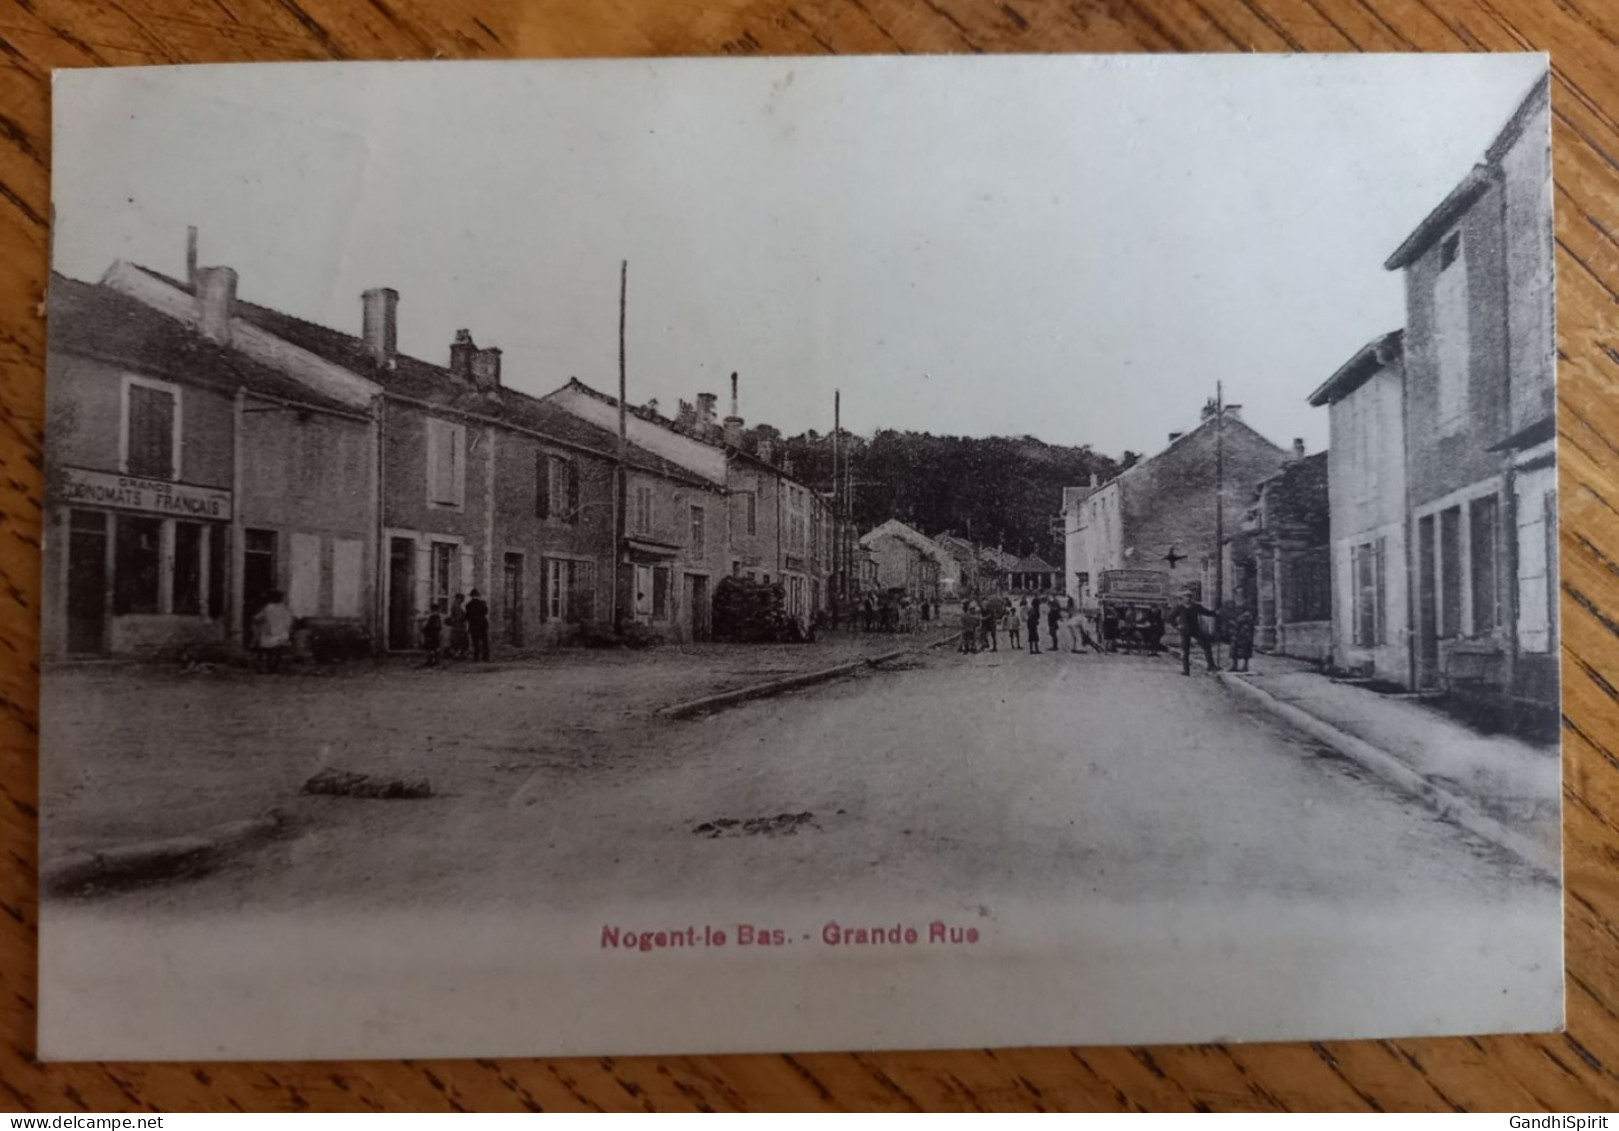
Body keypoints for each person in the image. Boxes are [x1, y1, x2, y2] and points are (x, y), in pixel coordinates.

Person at [1173, 591, 1219, 676]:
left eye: (1190, 597)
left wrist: (1215, 613)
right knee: (1185, 650)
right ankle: (1186, 670)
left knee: (1206, 646)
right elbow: (1169, 618)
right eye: (1186, 597)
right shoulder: (1179, 608)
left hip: (1195, 629)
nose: (1188, 598)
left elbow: (1206, 612)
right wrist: (1176, 626)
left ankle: (1211, 665)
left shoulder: (1196, 607)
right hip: (1184, 630)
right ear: (1182, 598)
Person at [251, 590, 294, 674]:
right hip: (282, 633)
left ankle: (269, 666)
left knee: (269, 651)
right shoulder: (285, 609)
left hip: (269, 633)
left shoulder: (268, 607)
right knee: (278, 651)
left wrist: (254, 619)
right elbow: (289, 621)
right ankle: (275, 667)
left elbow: (258, 617)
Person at [465, 588, 490, 661]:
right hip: (482, 624)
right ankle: (486, 657)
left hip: (474, 625)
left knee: (475, 641)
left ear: (471, 596)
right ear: (477, 596)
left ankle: (476, 657)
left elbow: (468, 616)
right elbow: (485, 612)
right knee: (484, 641)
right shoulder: (482, 603)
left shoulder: (468, 605)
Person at [1229, 605, 1256, 672]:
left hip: (1244, 635)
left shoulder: (1247, 615)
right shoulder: (1236, 614)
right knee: (1234, 650)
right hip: (1237, 635)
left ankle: (1245, 666)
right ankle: (1234, 665)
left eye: (1240, 608)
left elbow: (1246, 624)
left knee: (1245, 650)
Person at [421, 601, 444, 668]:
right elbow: (439, 627)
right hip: (435, 634)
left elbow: (429, 626)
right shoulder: (437, 617)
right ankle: (436, 660)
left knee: (431, 648)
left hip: (431, 635)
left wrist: (425, 631)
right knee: (435, 648)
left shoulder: (432, 617)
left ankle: (431, 661)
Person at [447, 593, 469, 660]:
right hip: (458, 626)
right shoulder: (456, 607)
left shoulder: (457, 606)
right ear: (458, 599)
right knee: (459, 641)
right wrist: (466, 616)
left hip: (458, 626)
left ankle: (459, 654)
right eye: (462, 599)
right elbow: (459, 617)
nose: (462, 601)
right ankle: (457, 655)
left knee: (459, 641)